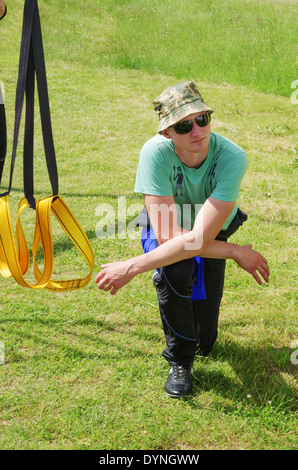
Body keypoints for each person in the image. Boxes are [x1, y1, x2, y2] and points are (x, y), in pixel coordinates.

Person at [95, 81, 270, 398]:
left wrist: (131, 267)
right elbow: (172, 239)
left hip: (210, 229)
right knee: (176, 268)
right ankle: (179, 363)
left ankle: (197, 341)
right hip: (168, 227)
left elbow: (200, 238)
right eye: (183, 125)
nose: (196, 131)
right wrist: (234, 251)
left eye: (202, 119)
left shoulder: (232, 158)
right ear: (167, 133)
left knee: (206, 341)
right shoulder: (155, 153)